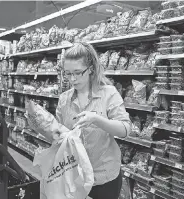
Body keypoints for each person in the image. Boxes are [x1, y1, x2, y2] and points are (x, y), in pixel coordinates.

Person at [56, 42, 132, 199]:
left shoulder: (108, 93)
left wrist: (97, 120)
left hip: (104, 176)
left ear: (90, 69)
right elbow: (59, 135)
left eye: (77, 72)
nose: (72, 79)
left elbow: (125, 129)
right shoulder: (64, 100)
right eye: (68, 73)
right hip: (76, 175)